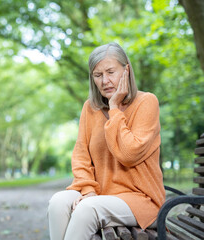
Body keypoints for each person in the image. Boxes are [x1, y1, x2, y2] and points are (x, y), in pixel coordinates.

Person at [47, 42, 165, 240]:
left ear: (126, 70)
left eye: (111, 72)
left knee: (86, 210)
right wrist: (88, 190)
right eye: (98, 75)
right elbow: (81, 156)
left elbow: (129, 154)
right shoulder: (90, 108)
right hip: (100, 195)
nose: (105, 81)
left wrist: (114, 108)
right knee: (58, 202)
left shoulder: (147, 102)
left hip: (141, 199)